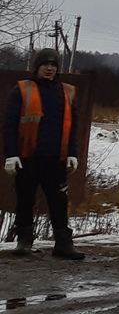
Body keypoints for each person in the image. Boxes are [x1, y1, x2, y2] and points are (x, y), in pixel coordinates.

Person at [4, 51, 85, 260]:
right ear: (37, 67)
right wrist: (11, 155)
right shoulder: (23, 89)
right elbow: (10, 124)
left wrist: (72, 153)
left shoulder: (67, 92)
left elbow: (73, 125)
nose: (49, 68)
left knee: (58, 201)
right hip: (28, 156)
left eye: (53, 65)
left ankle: (63, 243)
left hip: (55, 158)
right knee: (25, 199)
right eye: (45, 65)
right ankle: (24, 240)